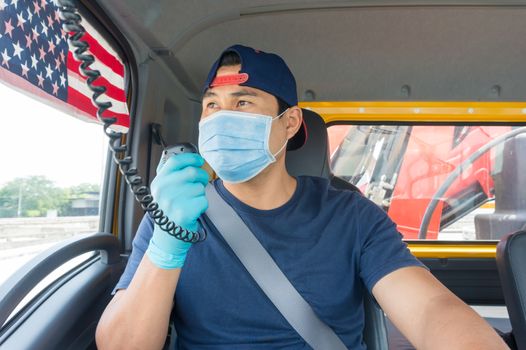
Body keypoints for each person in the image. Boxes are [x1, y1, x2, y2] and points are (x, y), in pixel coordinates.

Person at [96, 44, 508, 349]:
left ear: (290, 122)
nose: (221, 118)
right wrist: (168, 245)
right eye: (211, 106)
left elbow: (431, 309)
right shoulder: (171, 216)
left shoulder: (350, 215)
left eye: (243, 102)